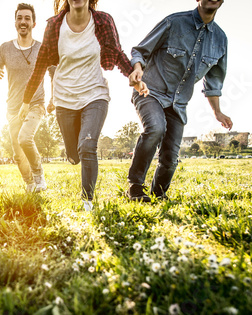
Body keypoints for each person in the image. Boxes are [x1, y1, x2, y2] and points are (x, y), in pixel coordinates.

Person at [22, 0, 149, 211]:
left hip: (95, 94)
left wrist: (132, 76)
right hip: (65, 99)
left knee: (88, 146)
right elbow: (41, 64)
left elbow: (116, 53)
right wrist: (26, 101)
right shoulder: (55, 25)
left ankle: (87, 202)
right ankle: (76, 155)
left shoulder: (103, 21)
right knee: (74, 155)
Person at [127, 0, 231, 202]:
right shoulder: (173, 23)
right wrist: (137, 69)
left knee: (171, 157)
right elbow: (140, 50)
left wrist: (217, 112)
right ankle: (135, 187)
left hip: (179, 103)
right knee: (155, 128)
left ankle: (158, 193)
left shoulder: (220, 40)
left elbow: (214, 83)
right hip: (151, 91)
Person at [0, 3, 50, 193]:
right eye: (20, 18)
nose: (23, 22)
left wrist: (54, 98)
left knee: (25, 138)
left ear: (34, 23)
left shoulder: (43, 48)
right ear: (15, 22)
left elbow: (55, 73)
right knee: (17, 153)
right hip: (13, 107)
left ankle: (39, 177)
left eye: (27, 18)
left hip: (36, 104)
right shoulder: (5, 48)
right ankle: (30, 183)